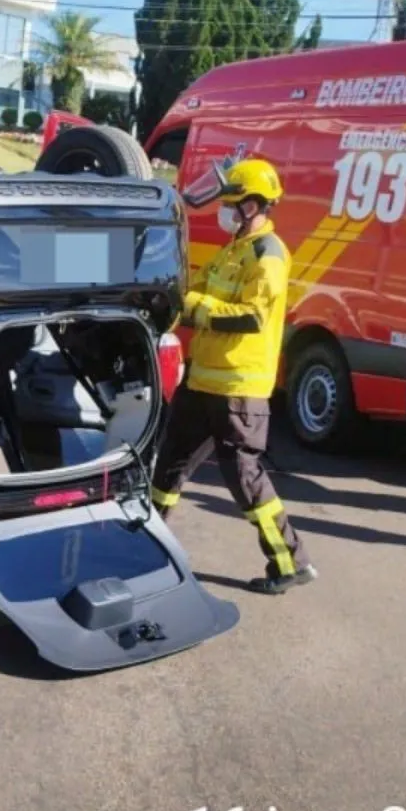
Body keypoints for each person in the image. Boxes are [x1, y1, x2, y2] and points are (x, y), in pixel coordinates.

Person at [150, 157, 316, 595]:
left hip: (238, 389)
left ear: (253, 205)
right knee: (169, 465)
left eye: (231, 203)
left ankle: (290, 562)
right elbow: (195, 291)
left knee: (245, 478)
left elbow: (251, 317)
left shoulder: (268, 254)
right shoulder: (234, 249)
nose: (224, 210)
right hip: (203, 381)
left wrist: (194, 308)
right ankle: (144, 548)